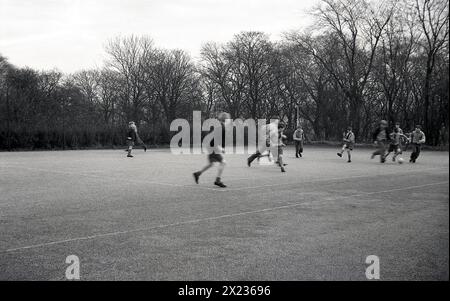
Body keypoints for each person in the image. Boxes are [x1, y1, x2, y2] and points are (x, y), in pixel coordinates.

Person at [193, 112, 229, 188]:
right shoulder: (222, 126)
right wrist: (221, 148)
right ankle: (217, 180)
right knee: (223, 162)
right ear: (225, 119)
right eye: (228, 118)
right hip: (213, 146)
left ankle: (198, 174)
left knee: (211, 164)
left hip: (210, 145)